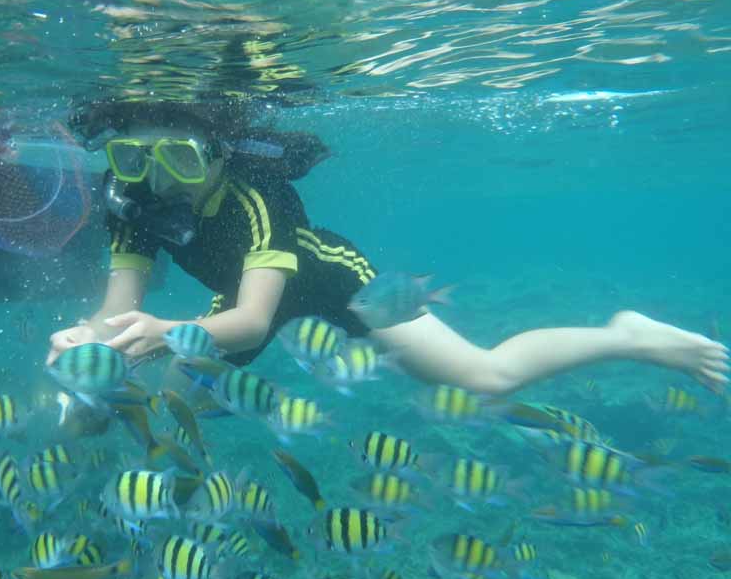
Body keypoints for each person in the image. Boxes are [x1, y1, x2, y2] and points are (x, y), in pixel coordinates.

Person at [46, 99, 728, 396]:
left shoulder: (259, 196)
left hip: (331, 280)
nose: (159, 179)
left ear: (222, 154)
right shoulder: (130, 202)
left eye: (182, 159)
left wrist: (168, 331)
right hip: (232, 303)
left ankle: (627, 334)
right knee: (166, 412)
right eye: (136, 158)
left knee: (484, 376)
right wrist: (88, 337)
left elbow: (254, 320)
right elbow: (118, 309)